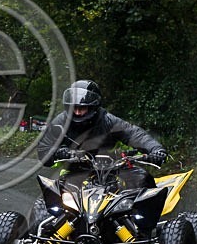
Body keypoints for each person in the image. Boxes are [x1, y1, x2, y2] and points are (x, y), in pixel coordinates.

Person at [37, 79, 167, 189]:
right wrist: (58, 152)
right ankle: (47, 219)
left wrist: (155, 149)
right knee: (53, 197)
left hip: (111, 170)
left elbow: (135, 134)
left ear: (93, 106)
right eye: (74, 107)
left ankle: (145, 218)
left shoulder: (108, 121)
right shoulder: (59, 122)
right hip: (75, 171)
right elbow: (44, 150)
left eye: (81, 108)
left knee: (143, 178)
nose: (77, 112)